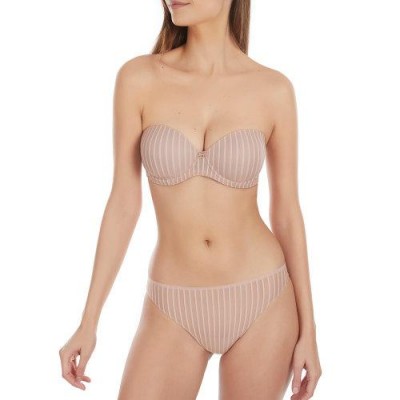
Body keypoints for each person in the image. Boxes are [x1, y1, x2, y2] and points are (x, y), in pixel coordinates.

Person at [59, 0, 322, 398]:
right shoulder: (138, 78)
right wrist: (88, 321)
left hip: (263, 299)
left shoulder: (273, 89)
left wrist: (309, 331)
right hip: (172, 305)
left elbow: (286, 212)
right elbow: (124, 204)